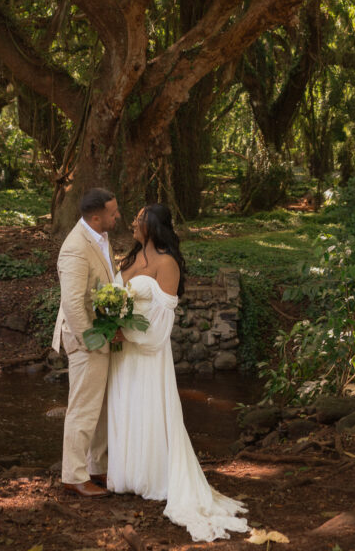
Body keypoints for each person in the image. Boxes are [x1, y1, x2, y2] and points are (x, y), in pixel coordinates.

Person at [107, 203, 249, 541]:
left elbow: (161, 321)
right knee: (123, 408)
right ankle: (124, 475)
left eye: (139, 219)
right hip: (121, 351)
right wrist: (109, 321)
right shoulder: (128, 259)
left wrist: (125, 332)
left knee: (147, 409)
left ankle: (152, 476)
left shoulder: (167, 264)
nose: (133, 222)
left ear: (153, 226)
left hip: (145, 351)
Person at [52, 187, 121, 497]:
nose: (118, 216)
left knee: (101, 406)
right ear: (96, 217)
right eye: (113, 213)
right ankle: (74, 476)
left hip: (102, 332)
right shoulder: (76, 248)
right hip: (86, 338)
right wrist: (89, 341)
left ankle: (97, 469)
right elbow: (72, 302)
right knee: (83, 407)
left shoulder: (101, 238)